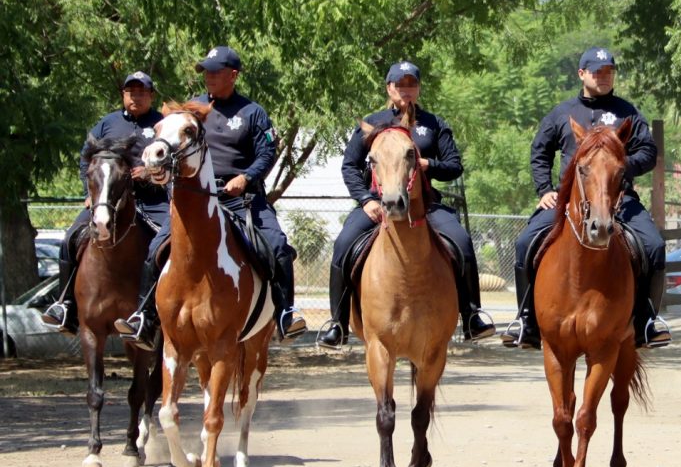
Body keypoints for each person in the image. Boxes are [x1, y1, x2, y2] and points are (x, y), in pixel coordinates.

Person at [114, 46, 306, 347]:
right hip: (198, 199)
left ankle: (285, 313)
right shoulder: (191, 111)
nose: (209, 77)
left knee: (278, 246)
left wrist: (247, 177)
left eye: (216, 72)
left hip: (243, 199)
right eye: (206, 72)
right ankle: (144, 317)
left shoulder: (253, 113)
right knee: (156, 248)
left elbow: (268, 153)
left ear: (233, 75)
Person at [316, 61, 495, 349]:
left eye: (411, 84)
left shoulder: (434, 125)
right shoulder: (371, 123)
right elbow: (350, 166)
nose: (406, 90)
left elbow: (454, 166)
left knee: (461, 241)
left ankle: (472, 314)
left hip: (424, 206)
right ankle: (337, 323)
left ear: (419, 88)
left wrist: (428, 164)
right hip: (378, 204)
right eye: (400, 84)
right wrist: (365, 200)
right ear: (389, 88)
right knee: (343, 243)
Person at [501, 46, 670, 350]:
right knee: (525, 243)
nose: (604, 77)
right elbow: (539, 152)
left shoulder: (627, 112)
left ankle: (646, 321)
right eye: (597, 72)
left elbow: (648, 152)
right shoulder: (561, 113)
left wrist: (614, 168)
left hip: (619, 199)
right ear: (582, 74)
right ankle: (527, 321)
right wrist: (545, 191)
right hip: (569, 201)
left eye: (609, 72)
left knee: (654, 246)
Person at [41, 71, 169, 344]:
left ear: (151, 96)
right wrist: (90, 193)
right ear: (123, 95)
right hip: (107, 201)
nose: (136, 96)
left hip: (152, 200)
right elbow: (86, 160)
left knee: (167, 245)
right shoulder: (106, 123)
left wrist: (149, 175)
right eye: (130, 91)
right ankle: (66, 307)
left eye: (142, 92)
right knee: (70, 238)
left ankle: (155, 312)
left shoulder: (162, 124)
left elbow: (172, 162)